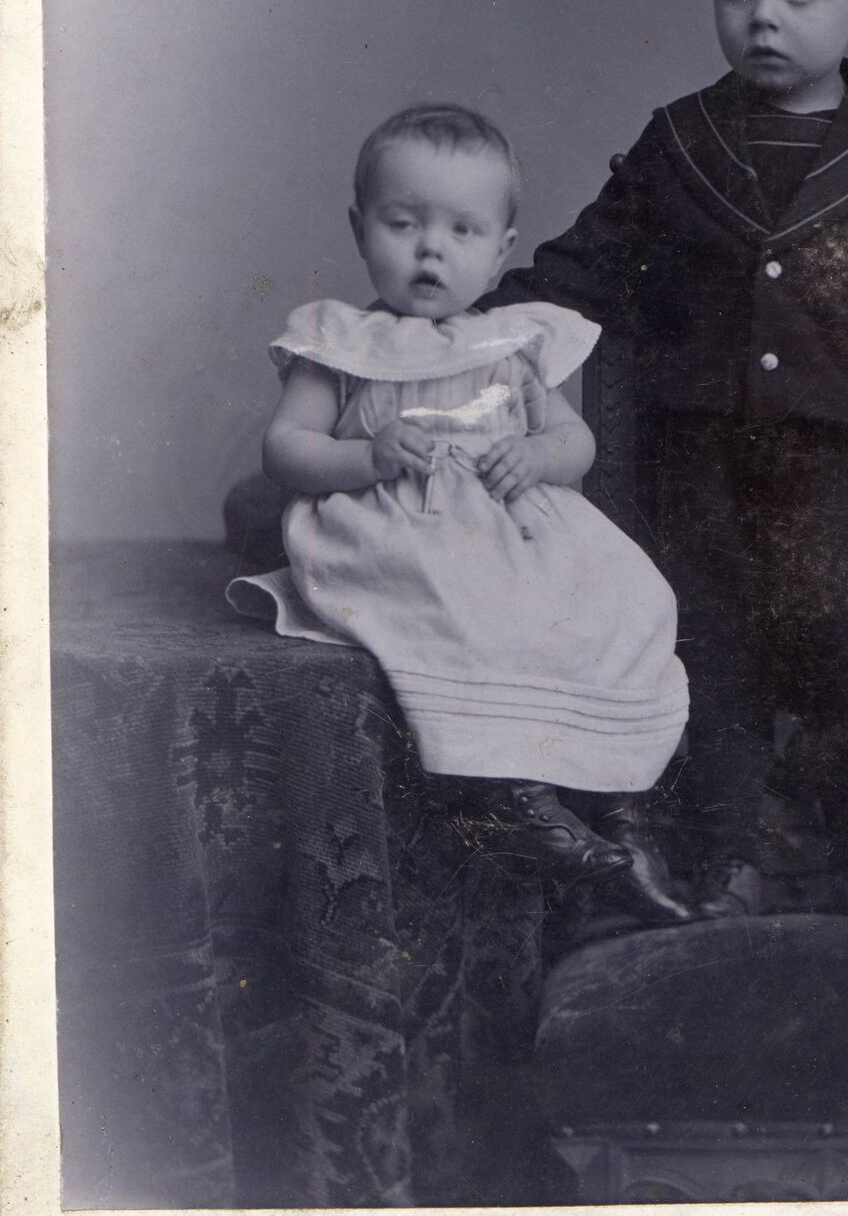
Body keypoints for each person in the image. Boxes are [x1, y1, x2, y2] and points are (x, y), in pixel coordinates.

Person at [485, 0, 848, 919]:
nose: (764, 15)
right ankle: (724, 864)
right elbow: (585, 263)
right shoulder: (679, 142)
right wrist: (475, 320)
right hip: (700, 465)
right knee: (713, 661)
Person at [227, 104, 694, 924]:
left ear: (502, 249)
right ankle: (518, 795)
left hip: (511, 523)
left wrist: (537, 457)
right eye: (403, 224)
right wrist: (365, 458)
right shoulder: (339, 342)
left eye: (462, 231)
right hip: (397, 524)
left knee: (627, 595)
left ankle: (620, 802)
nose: (430, 250)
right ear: (359, 228)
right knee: (469, 604)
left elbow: (573, 441)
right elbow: (285, 449)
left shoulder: (512, 343)